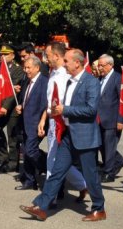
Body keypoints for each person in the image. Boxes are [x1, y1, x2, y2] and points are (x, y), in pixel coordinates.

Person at [20, 49, 105, 222]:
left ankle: (99, 208)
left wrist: (65, 110)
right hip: (68, 134)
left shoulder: (91, 82)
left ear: (77, 63)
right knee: (57, 171)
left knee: (90, 174)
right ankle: (41, 207)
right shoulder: (69, 81)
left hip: (85, 136)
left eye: (66, 61)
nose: (64, 64)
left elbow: (91, 109)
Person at [37, 41, 87, 206]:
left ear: (56, 56)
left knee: (52, 160)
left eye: (48, 55)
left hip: (61, 122)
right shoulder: (53, 73)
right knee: (59, 160)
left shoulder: (65, 76)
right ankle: (82, 185)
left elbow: (66, 102)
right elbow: (50, 101)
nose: (46, 59)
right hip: (52, 120)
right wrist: (44, 119)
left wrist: (61, 122)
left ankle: (50, 198)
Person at [0, 45, 24, 172]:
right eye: (2, 54)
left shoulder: (18, 70)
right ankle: (2, 158)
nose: (3, 57)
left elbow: (14, 93)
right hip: (0, 105)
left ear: (13, 55)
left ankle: (13, 163)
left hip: (12, 107)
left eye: (6, 54)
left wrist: (5, 107)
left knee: (12, 136)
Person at [14, 55, 48, 190]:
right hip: (24, 122)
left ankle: (50, 168)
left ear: (37, 68)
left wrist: (42, 122)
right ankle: (29, 180)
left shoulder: (44, 82)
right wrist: (20, 106)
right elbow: (25, 99)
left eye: (29, 67)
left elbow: (46, 105)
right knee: (26, 152)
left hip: (36, 123)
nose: (26, 70)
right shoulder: (26, 81)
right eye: (25, 67)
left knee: (30, 151)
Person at [96, 54, 123, 183]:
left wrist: (121, 120)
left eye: (102, 65)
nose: (100, 68)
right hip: (100, 120)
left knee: (109, 147)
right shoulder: (100, 79)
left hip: (112, 120)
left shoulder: (117, 78)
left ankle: (109, 173)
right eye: (99, 65)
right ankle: (118, 161)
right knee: (102, 146)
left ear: (110, 65)